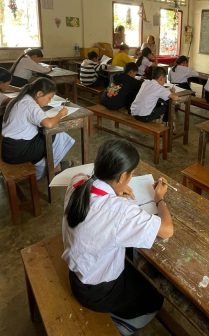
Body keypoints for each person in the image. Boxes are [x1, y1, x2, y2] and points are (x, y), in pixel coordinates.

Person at [62, 138, 173, 335]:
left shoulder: (77, 182)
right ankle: (125, 323)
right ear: (122, 176)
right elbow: (166, 230)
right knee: (156, 299)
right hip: (98, 292)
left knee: (133, 263)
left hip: (79, 277)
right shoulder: (118, 211)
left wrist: (116, 190)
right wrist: (159, 199)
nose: (130, 179)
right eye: (130, 175)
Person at [1, 77, 75, 180]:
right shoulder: (30, 105)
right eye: (49, 98)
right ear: (39, 94)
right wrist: (60, 114)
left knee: (45, 134)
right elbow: (49, 124)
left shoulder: (22, 98)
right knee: (56, 135)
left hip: (9, 148)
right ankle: (48, 169)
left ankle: (50, 164)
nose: (49, 102)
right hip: (17, 152)